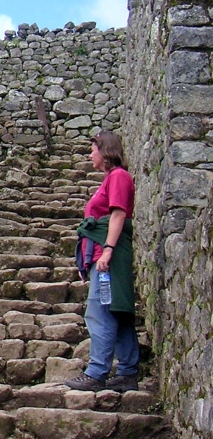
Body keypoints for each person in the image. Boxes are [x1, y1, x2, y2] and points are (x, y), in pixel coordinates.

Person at [64, 131, 140, 393]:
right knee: (117, 310)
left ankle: (97, 372)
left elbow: (118, 214)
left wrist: (107, 250)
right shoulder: (112, 179)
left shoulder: (118, 176)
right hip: (104, 254)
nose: (90, 154)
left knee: (100, 310)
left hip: (108, 256)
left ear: (105, 150)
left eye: (93, 149)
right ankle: (128, 372)